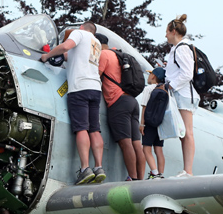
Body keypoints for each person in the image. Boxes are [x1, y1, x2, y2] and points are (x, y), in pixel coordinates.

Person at [39, 22, 105, 185]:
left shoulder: (79, 33)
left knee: (81, 128)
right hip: (95, 88)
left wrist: (46, 56)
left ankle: (85, 169)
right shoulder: (96, 42)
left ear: (82, 27)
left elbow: (66, 46)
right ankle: (99, 168)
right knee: (95, 130)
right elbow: (70, 55)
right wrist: (61, 55)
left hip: (79, 87)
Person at [97, 37, 145, 180]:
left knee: (125, 143)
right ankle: (140, 180)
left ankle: (132, 177)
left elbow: (96, 75)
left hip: (118, 102)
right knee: (136, 144)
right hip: (132, 101)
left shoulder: (104, 54)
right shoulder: (119, 55)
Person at [163, 14, 196, 177]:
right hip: (181, 93)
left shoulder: (182, 48)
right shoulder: (178, 48)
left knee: (187, 132)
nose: (165, 35)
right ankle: (187, 169)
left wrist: (170, 85)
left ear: (173, 31)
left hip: (183, 94)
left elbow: (187, 74)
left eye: (167, 32)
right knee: (184, 133)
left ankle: (188, 170)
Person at [138, 67, 167, 179]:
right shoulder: (165, 89)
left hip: (149, 123)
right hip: (160, 123)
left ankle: (154, 172)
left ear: (154, 76)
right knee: (159, 149)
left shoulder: (149, 88)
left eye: (150, 74)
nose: (149, 76)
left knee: (146, 148)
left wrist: (142, 124)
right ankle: (161, 174)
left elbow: (144, 106)